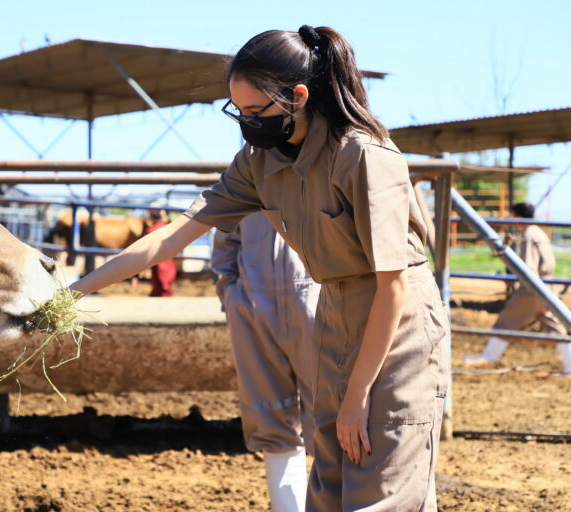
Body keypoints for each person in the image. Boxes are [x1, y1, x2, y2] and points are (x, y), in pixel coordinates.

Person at [71, 25, 448, 511]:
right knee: (331, 487)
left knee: (383, 485)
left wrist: (357, 395)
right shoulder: (259, 160)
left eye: (255, 111)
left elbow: (392, 286)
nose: (247, 123)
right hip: (333, 317)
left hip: (395, 329)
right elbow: (175, 234)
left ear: (297, 96)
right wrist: (73, 291)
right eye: (239, 112)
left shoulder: (364, 156)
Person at [212, 211, 320, 512]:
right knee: (270, 418)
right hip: (253, 303)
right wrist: (232, 294)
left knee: (333, 418)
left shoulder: (328, 165)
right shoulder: (247, 170)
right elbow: (225, 233)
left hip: (317, 300)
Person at [465, 202, 571, 375]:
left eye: (513, 215)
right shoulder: (538, 232)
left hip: (532, 288)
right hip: (545, 285)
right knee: (557, 326)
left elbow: (529, 268)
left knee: (506, 321)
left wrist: (538, 297)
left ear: (517, 216)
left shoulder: (529, 234)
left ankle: (487, 359)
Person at [144, 208, 177, 297]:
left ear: (151, 218)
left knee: (159, 279)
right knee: (164, 281)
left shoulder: (150, 230)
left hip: (157, 259)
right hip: (168, 258)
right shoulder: (168, 227)